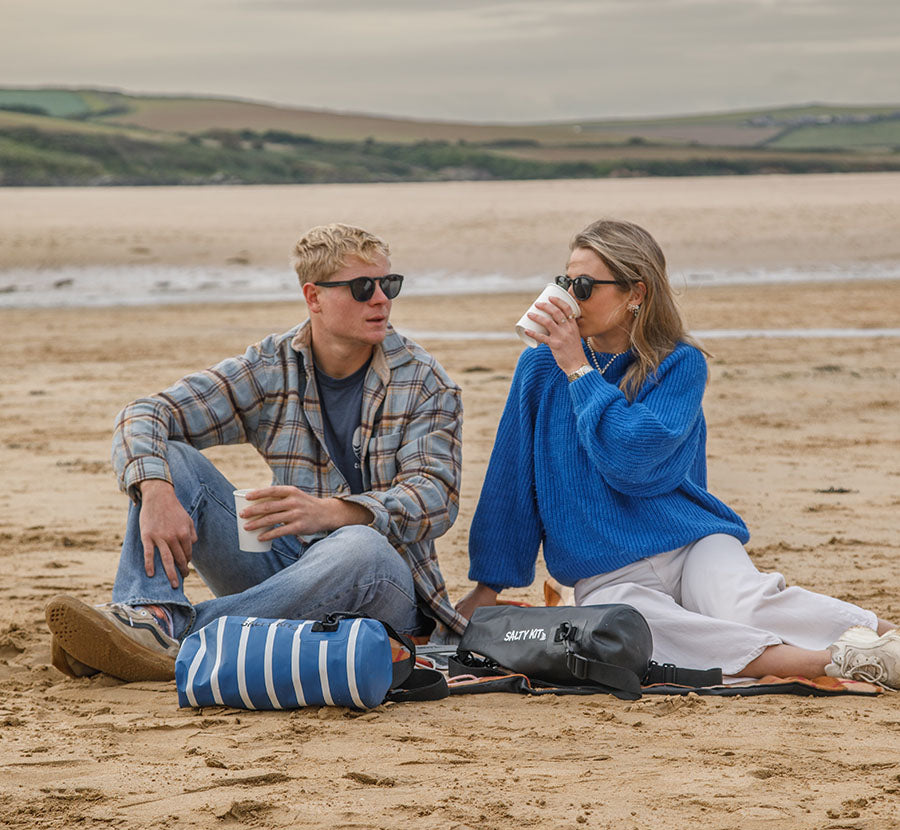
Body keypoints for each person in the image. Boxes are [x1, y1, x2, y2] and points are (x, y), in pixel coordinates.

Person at [459, 218, 899, 689]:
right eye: (564, 281)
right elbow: (511, 475)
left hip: (688, 541)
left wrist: (578, 370)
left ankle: (888, 638)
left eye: (584, 285)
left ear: (636, 293)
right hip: (605, 569)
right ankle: (836, 662)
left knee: (744, 602)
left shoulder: (677, 363)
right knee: (646, 631)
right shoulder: (539, 365)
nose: (569, 296)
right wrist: (489, 586)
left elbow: (632, 460)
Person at [46, 223, 466, 682]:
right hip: (281, 571)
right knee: (172, 458)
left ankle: (162, 635)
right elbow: (145, 413)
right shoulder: (271, 366)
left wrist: (334, 512)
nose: (381, 299)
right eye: (364, 287)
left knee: (360, 545)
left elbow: (436, 497)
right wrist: (155, 490)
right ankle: (152, 614)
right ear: (314, 297)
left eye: (389, 284)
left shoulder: (425, 381)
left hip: (382, 587)